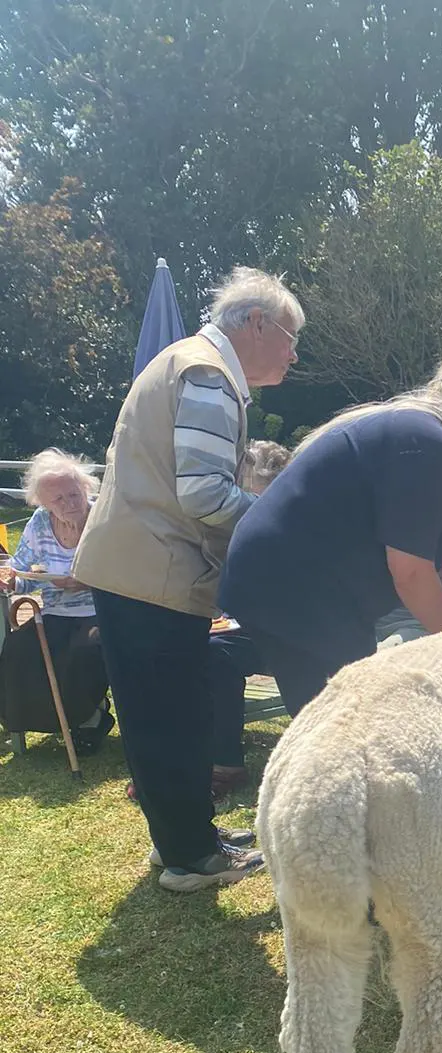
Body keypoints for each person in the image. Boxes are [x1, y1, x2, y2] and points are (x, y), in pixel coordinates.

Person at [73, 267, 302, 891]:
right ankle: (191, 858)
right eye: (290, 336)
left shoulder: (186, 362)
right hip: (157, 573)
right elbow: (204, 492)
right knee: (171, 717)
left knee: (156, 715)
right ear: (256, 323)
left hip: (136, 569)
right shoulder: (209, 373)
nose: (293, 352)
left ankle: (181, 838)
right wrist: (278, 519)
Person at [219, 339, 442, 715]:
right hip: (292, 586)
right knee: (349, 724)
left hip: (306, 589)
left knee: (353, 720)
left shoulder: (433, 443)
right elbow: (412, 575)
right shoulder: (426, 445)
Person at [0, 450, 111, 753]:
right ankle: (44, 723)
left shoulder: (105, 517)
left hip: (103, 611)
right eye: (58, 500)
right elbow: (23, 570)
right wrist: (11, 580)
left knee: (84, 651)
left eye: (73, 494)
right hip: (56, 612)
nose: (69, 503)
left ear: (86, 488)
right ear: (44, 504)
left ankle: (91, 719)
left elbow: (130, 569)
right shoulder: (39, 523)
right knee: (19, 648)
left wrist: (90, 581)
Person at [206, 441, 294, 797]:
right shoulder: (227, 521)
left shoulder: (300, 520)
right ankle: (219, 760)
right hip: (248, 626)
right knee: (208, 649)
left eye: (255, 497)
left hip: (301, 631)